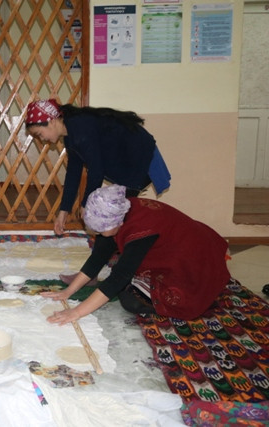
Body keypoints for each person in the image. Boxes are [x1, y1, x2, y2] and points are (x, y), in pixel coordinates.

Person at [42, 184, 231, 324]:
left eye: (100, 230)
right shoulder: (120, 212)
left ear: (116, 223)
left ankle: (205, 291)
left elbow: (120, 277)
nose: (98, 234)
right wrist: (68, 291)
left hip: (195, 262)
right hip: (181, 247)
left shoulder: (140, 230)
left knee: (129, 300)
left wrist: (76, 313)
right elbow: (99, 256)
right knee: (124, 281)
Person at [24, 99, 171, 236]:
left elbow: (96, 170)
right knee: (115, 214)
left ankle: (135, 244)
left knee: (117, 214)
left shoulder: (80, 127)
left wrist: (86, 204)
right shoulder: (70, 134)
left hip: (139, 157)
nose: (42, 139)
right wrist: (64, 211)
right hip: (126, 160)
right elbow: (73, 173)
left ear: (51, 121)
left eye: (40, 134)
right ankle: (120, 246)